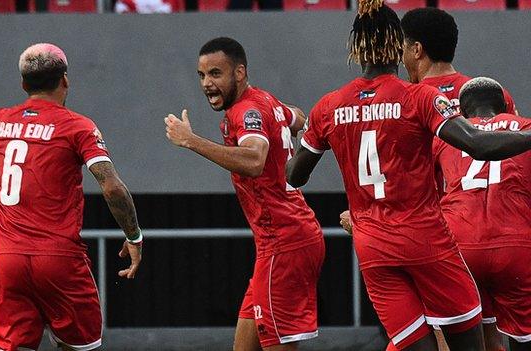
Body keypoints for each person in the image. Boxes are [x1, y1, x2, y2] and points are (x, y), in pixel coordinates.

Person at [286, 0, 531, 349]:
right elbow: (479, 146)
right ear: (395, 46)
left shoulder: (328, 107)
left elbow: (295, 175)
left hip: (373, 248)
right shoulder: (419, 98)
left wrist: (285, 135)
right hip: (430, 240)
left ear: (356, 49)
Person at [0, 43, 142, 351]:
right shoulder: (77, 126)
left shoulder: (2, 120)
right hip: (57, 259)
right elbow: (111, 186)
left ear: (24, 84)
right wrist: (133, 236)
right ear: (65, 80)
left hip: (6, 259)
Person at [164, 37, 325, 351]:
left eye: (215, 74)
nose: (207, 84)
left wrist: (190, 140)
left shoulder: (245, 110)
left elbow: (253, 159)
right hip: (280, 243)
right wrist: (284, 118)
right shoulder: (264, 101)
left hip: (285, 243)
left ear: (239, 73)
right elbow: (300, 118)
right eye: (202, 75)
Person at [433, 77, 531, 351]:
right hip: (516, 244)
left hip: (461, 245)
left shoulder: (447, 137)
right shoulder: (525, 128)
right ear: (505, 107)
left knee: (471, 337)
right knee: (524, 337)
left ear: (462, 112)